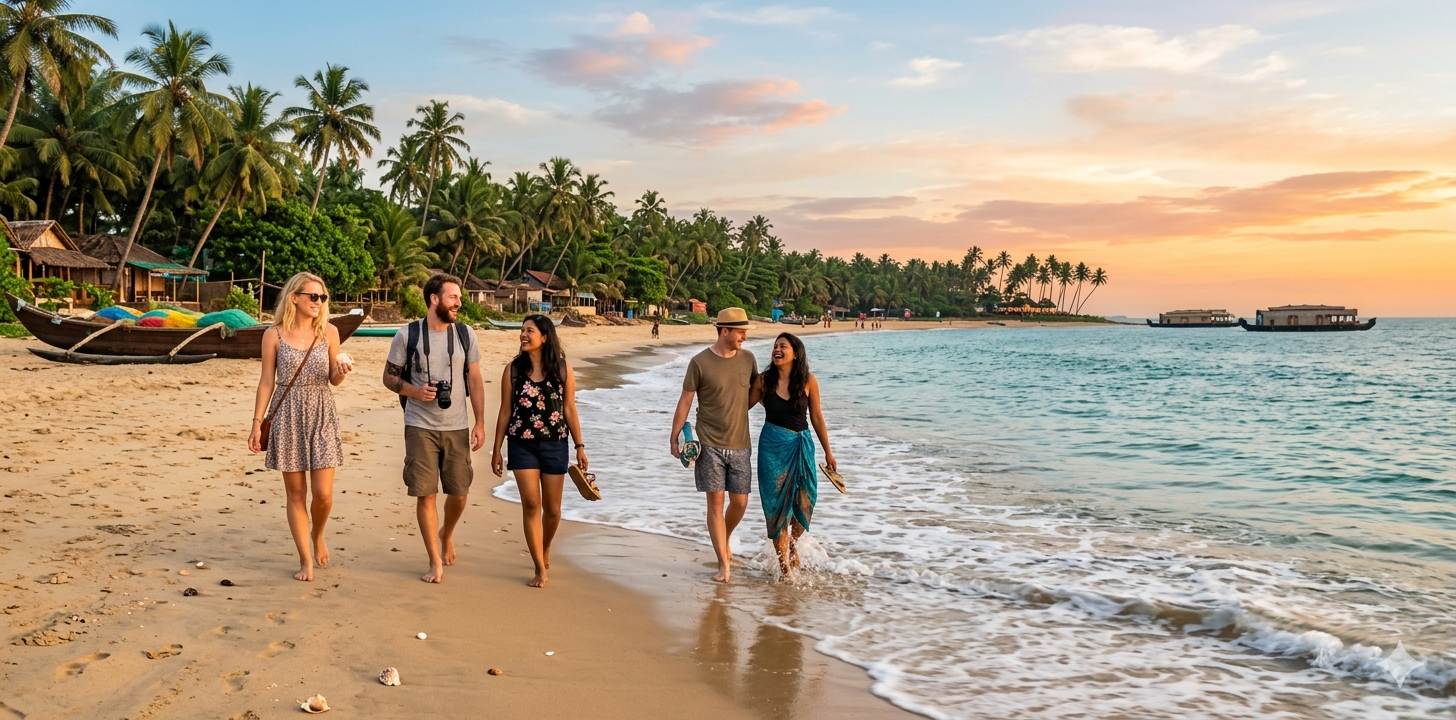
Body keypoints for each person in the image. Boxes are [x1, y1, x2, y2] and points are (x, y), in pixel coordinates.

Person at [382, 274, 486, 583]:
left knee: (459, 490)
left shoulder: (466, 335)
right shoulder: (407, 335)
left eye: (459, 297)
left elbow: (476, 380)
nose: (459, 302)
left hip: (458, 425)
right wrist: (415, 391)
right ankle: (433, 562)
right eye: (453, 297)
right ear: (434, 299)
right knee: (425, 494)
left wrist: (480, 421)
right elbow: (388, 377)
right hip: (419, 424)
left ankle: (447, 532)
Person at [248, 272, 352, 582]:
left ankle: (317, 533)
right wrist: (256, 422)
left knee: (323, 495)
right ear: (295, 298)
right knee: (296, 494)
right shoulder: (273, 335)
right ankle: (305, 559)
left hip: (321, 411)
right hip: (287, 413)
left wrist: (341, 371)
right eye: (313, 296)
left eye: (323, 297)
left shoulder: (330, 333)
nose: (319, 302)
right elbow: (267, 381)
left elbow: (333, 378)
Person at [490, 315, 587, 587]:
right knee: (532, 505)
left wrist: (580, 447)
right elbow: (505, 411)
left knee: (553, 510)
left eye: (529, 331)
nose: (523, 334)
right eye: (522, 330)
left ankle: (544, 549)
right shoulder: (512, 370)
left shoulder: (563, 369)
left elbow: (569, 408)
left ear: (544, 337)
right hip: (521, 444)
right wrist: (497, 449)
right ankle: (538, 567)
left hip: (556, 444)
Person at [670, 307, 759, 583]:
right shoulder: (699, 362)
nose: (744, 336)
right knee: (715, 504)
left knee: (741, 502)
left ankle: (724, 537)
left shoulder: (748, 359)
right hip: (708, 443)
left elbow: (757, 392)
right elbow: (685, 400)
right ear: (724, 331)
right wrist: (674, 436)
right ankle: (723, 563)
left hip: (741, 443)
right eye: (740, 331)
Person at [754, 333, 835, 580]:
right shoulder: (763, 381)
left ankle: (792, 544)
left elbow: (817, 417)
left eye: (783, 346)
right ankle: (784, 568)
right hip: (772, 447)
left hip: (802, 445)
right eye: (775, 346)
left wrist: (828, 452)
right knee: (776, 506)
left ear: (795, 353)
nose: (777, 350)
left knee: (806, 500)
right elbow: (740, 406)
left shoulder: (808, 381)